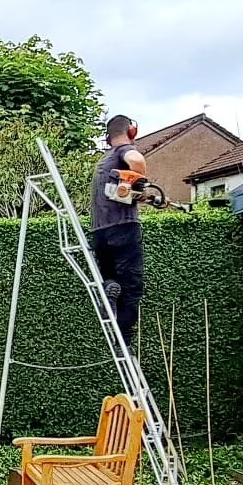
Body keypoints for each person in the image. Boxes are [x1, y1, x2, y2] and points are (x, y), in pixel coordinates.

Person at [90, 114, 163, 340]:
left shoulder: (103, 163)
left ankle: (110, 290)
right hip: (124, 228)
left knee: (110, 277)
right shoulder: (124, 151)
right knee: (131, 286)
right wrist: (138, 182)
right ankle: (125, 336)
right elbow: (137, 160)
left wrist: (144, 197)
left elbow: (120, 195)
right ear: (132, 132)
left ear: (107, 136)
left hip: (100, 232)